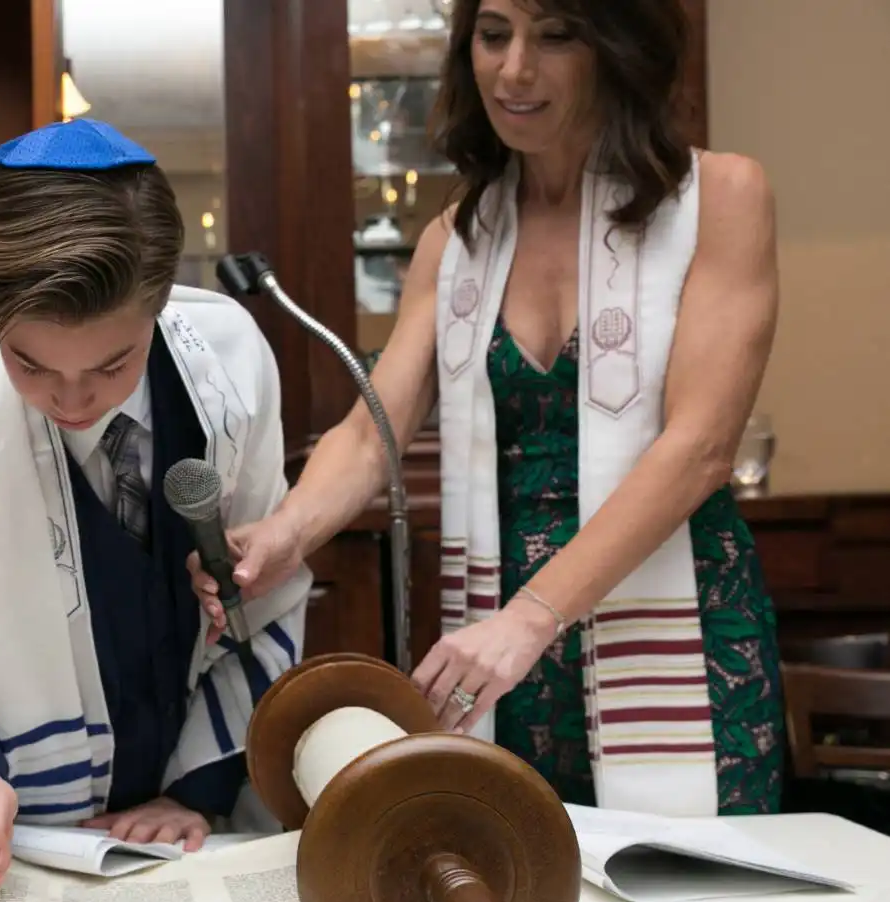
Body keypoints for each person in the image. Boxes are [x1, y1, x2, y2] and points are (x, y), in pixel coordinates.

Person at [194, 0, 784, 818]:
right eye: (495, 33)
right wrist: (284, 536)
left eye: (555, 36)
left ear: (616, 47)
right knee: (532, 895)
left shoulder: (719, 198)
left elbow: (701, 447)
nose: (514, 70)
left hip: (675, 632)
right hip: (499, 647)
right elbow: (373, 431)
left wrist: (534, 616)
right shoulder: (455, 238)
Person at [0, 118, 312, 901]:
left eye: (112, 364)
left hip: (207, 826)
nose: (71, 398)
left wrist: (192, 796)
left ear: (161, 304)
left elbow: (264, 609)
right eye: (28, 363)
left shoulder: (228, 373)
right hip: (37, 850)